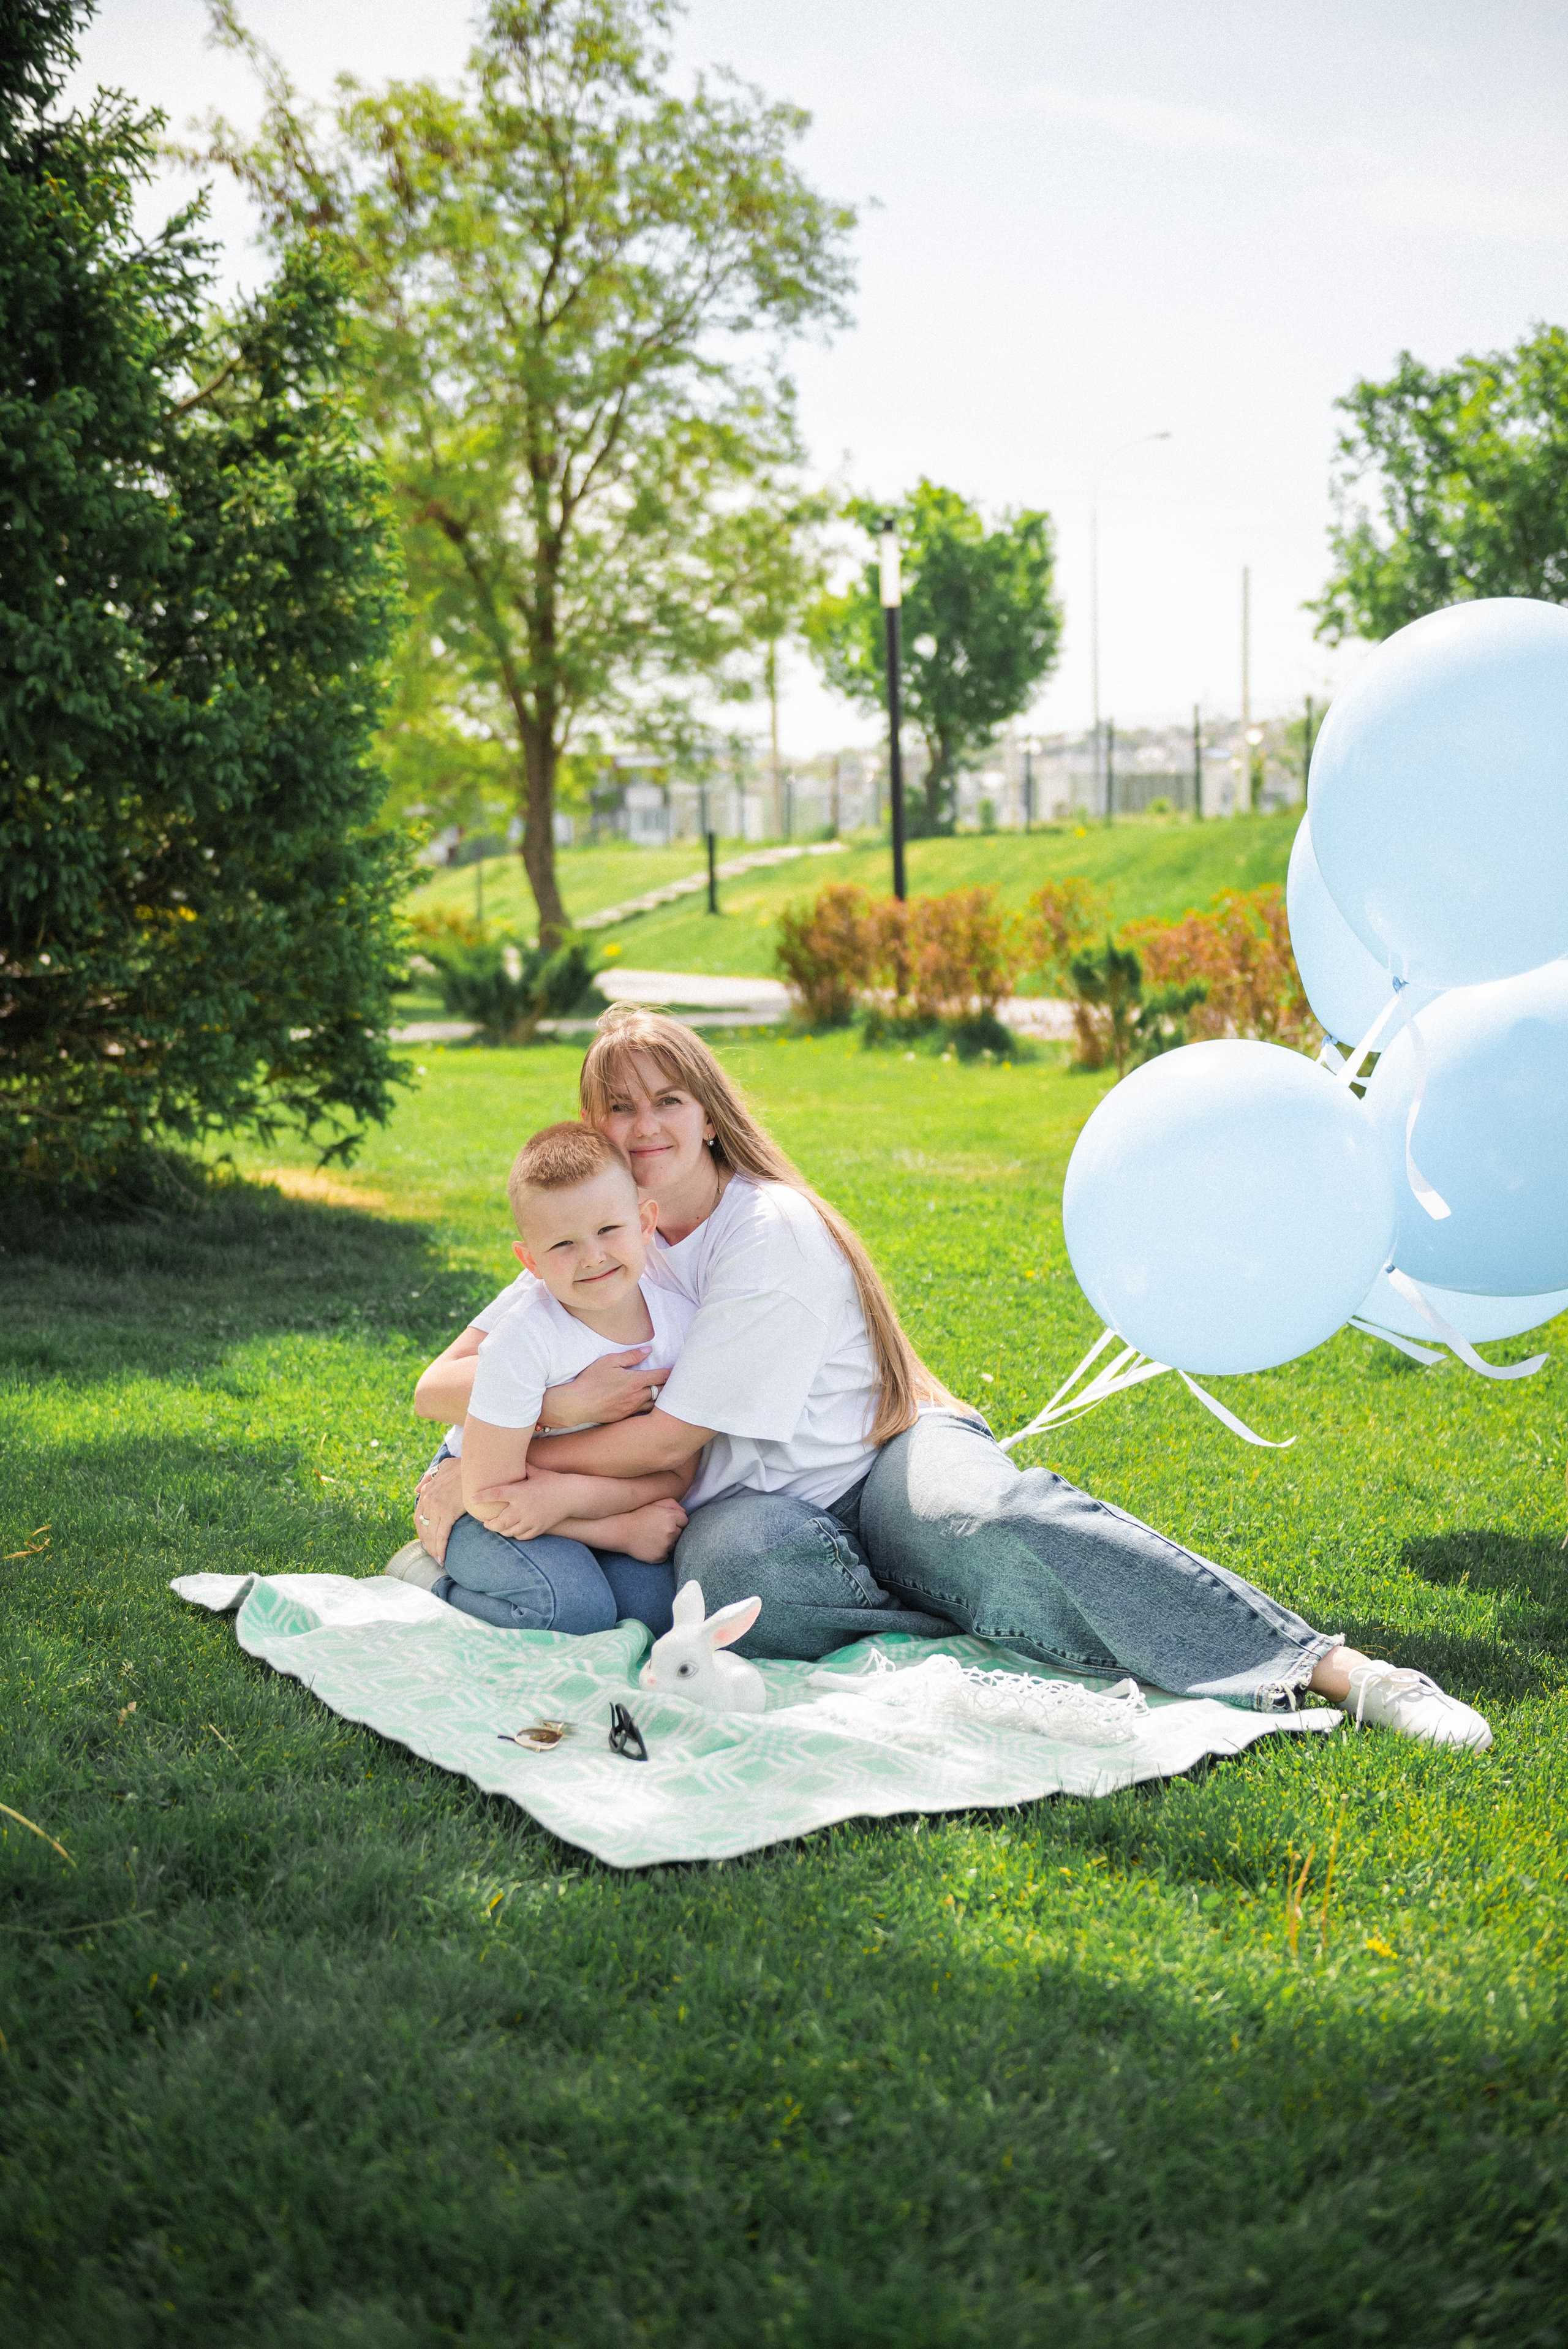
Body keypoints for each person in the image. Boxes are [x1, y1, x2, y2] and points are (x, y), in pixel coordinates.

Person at [410, 1006, 1493, 1750]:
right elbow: (454, 1376)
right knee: (740, 1569)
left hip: (881, 1454)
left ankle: (1336, 1672)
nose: (642, 1129)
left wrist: (521, 1472)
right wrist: (504, 1438)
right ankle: (963, 1630)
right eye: (617, 1110)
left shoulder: (765, 1234)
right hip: (759, 1508)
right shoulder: (602, 1233)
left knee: (984, 1520)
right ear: (590, 1129)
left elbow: (663, 1443)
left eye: (665, 1103)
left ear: (706, 1111)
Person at [388, 1122, 701, 1635]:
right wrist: (617, 1531)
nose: (593, 1257)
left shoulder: (682, 1326)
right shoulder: (524, 1338)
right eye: (563, 1244)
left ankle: (578, 1556)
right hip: (481, 1490)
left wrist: (567, 1498)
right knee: (568, 1610)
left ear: (646, 1224)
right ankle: (423, 1579)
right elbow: (488, 1491)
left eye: (608, 1230)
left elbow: (675, 1475)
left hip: (573, 1491)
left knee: (656, 1612)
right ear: (530, 1261)